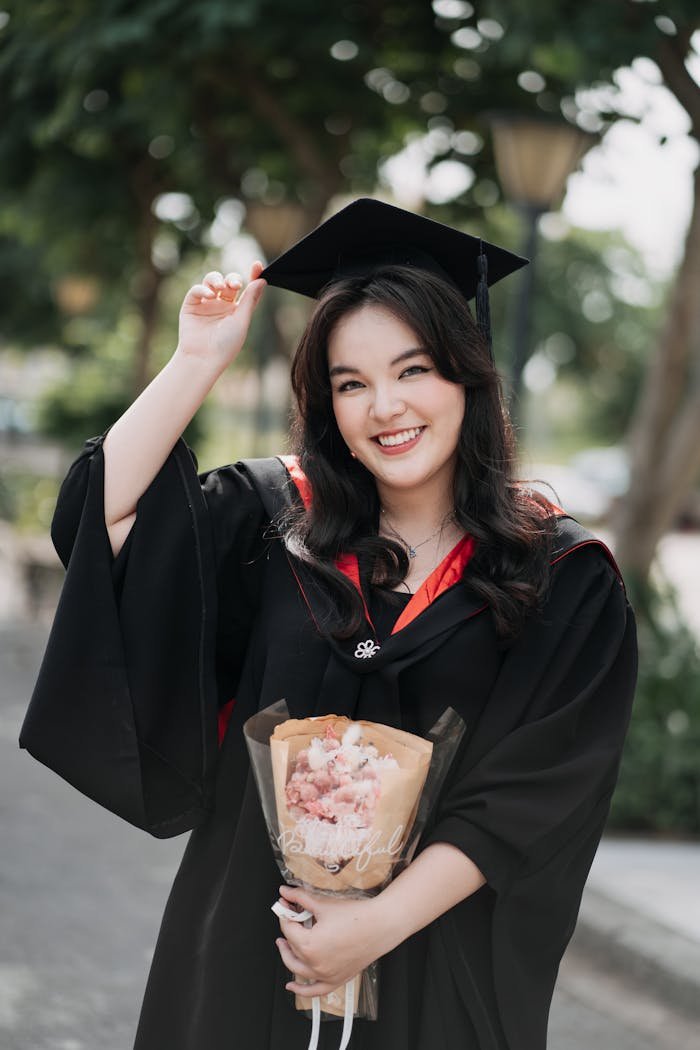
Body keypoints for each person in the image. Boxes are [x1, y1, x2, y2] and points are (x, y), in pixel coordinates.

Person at [21, 199, 638, 1050]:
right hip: (250, 943)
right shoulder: (275, 523)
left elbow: (534, 792)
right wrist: (197, 359)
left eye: (414, 370)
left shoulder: (559, 575)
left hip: (431, 967)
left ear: (468, 375)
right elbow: (102, 520)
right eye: (351, 383)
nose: (386, 407)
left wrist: (374, 926)